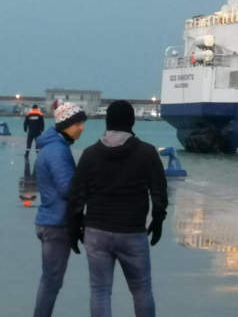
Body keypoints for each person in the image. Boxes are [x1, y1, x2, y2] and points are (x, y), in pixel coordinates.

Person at [67, 100, 168, 317]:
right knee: (141, 290)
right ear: (132, 122)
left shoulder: (90, 154)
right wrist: (159, 219)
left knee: (100, 291)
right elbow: (159, 191)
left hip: (96, 232)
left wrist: (74, 227)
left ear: (106, 122)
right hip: (132, 232)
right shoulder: (147, 153)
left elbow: (77, 196)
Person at [33, 102, 87, 317]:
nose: (82, 128)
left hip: (48, 220)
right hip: (56, 224)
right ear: (66, 124)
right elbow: (68, 189)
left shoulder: (53, 147)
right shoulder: (57, 151)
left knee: (50, 280)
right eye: (78, 123)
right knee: (51, 282)